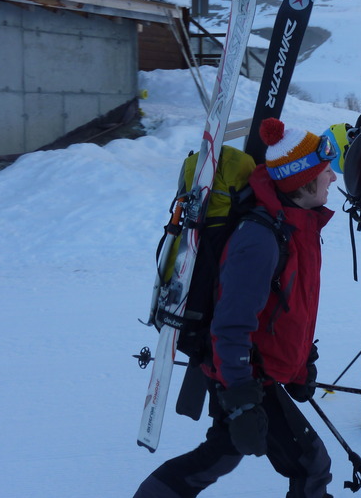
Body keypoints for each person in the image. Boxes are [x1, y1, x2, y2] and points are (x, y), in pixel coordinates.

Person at [134, 118, 338, 498]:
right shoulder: (260, 240)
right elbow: (230, 326)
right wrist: (242, 400)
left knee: (223, 454)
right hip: (241, 375)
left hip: (248, 370)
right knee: (310, 465)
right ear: (303, 180)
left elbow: (288, 308)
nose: (334, 179)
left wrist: (298, 364)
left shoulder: (298, 226)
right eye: (327, 171)